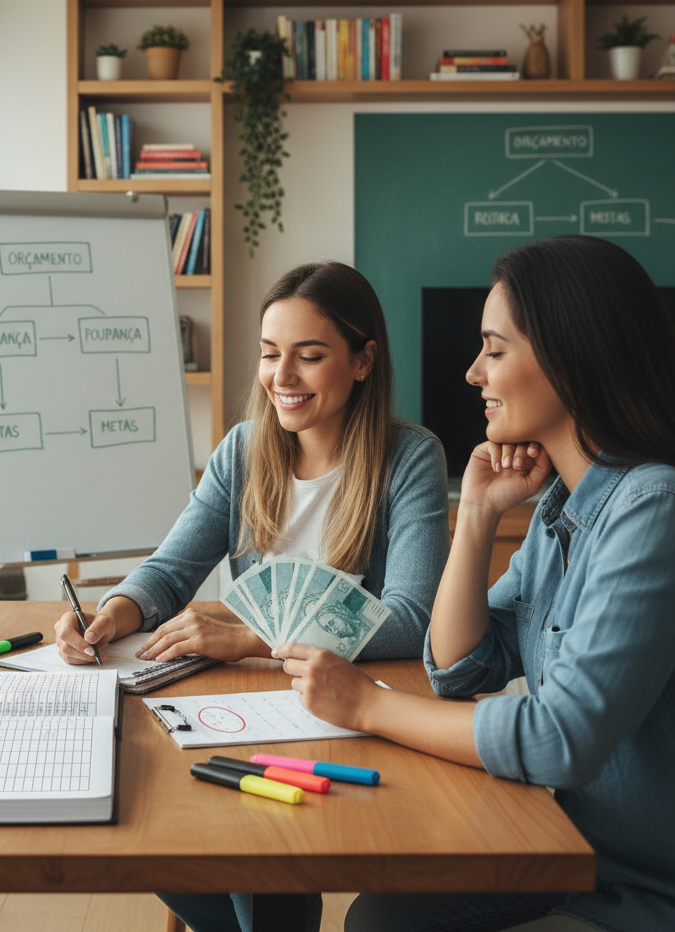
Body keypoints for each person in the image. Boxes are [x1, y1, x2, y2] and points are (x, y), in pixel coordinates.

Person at [273, 237, 675, 932]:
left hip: (645, 891)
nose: (472, 374)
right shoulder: (560, 511)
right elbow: (461, 669)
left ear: (570, 357)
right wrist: (480, 516)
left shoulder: (653, 510)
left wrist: (366, 706)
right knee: (380, 919)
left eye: (493, 349)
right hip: (572, 851)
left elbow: (560, 739)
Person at [55, 260, 451, 932]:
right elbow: (171, 570)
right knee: (156, 834)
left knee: (261, 858)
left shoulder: (410, 457)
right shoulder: (244, 450)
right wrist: (108, 615)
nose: (282, 378)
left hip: (367, 714)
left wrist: (256, 637)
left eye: (309, 356)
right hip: (255, 708)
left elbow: (413, 621)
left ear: (363, 360)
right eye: (270, 355)